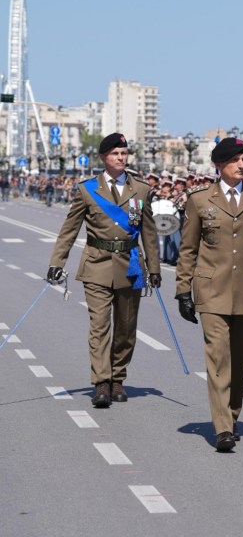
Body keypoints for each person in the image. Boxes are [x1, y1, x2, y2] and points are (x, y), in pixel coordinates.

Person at [174, 137, 243, 452]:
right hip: (211, 291)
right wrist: (183, 289)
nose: (242, 166)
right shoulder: (199, 199)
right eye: (236, 160)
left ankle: (232, 415)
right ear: (220, 165)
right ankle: (222, 426)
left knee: (240, 359)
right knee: (218, 357)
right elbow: (188, 249)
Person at [47, 133, 161, 408]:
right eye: (115, 154)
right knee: (99, 326)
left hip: (131, 266)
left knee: (126, 328)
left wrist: (154, 268)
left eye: (124, 154)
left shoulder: (141, 190)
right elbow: (69, 229)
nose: (121, 158)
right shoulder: (87, 190)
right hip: (96, 265)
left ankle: (118, 378)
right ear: (103, 158)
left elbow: (149, 232)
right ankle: (101, 382)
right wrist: (56, 262)